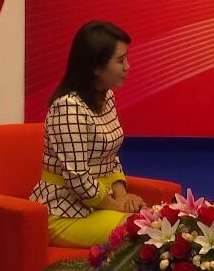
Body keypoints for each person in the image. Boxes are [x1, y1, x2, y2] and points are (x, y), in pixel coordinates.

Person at [29, 20, 145, 248]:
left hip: (97, 205)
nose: (128, 67)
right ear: (95, 67)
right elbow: (77, 177)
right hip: (64, 212)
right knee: (141, 230)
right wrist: (117, 206)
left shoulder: (107, 96)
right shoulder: (67, 107)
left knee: (153, 222)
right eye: (120, 60)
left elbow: (110, 157)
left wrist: (123, 196)